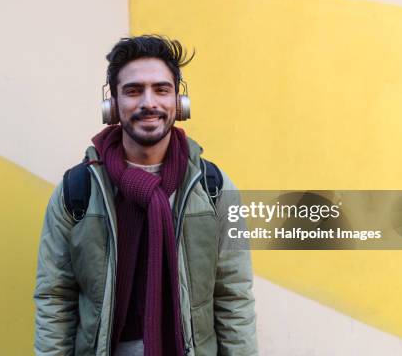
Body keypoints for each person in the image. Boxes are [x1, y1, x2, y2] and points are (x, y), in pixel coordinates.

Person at [34, 35, 257, 356]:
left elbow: (234, 295)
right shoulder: (77, 190)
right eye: (133, 90)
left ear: (179, 103)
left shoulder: (216, 188)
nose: (148, 102)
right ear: (112, 104)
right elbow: (55, 296)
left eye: (162, 89)